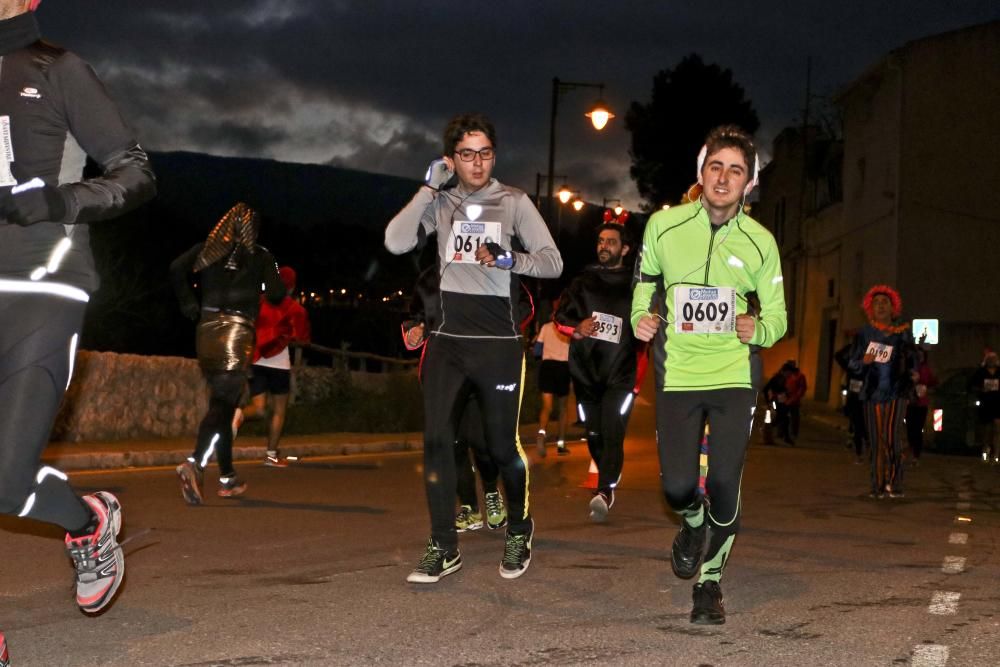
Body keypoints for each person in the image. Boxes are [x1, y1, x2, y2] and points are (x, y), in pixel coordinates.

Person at [0, 0, 155, 618]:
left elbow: (136, 173)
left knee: (7, 480)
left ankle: (88, 523)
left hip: (45, 285)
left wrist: (57, 202)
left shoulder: (57, 68)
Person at [385, 112, 562, 583]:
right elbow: (395, 241)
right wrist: (427, 189)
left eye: (485, 153)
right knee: (439, 443)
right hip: (447, 343)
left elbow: (553, 262)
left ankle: (520, 529)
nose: (477, 162)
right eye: (466, 154)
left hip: (498, 344)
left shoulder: (515, 202)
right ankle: (444, 545)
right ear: (451, 160)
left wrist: (511, 258)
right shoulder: (440, 204)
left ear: (494, 155)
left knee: (503, 447)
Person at [631, 125, 787, 625]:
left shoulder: (761, 243)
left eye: (735, 170)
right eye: (715, 166)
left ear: (749, 183)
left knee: (723, 480)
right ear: (701, 172)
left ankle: (711, 584)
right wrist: (641, 316)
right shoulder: (664, 227)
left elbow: (780, 317)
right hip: (678, 374)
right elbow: (645, 282)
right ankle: (692, 524)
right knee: (678, 488)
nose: (723, 178)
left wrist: (757, 327)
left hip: (734, 376)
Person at [170, 202, 284, 503]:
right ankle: (194, 463)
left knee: (222, 405)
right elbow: (277, 294)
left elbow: (175, 269)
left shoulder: (207, 250)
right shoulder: (260, 255)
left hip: (206, 329)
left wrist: (187, 302)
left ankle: (228, 477)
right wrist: (263, 273)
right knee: (222, 404)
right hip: (236, 332)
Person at [554, 221, 640, 522]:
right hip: (585, 373)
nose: (604, 246)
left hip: (621, 372)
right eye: (601, 241)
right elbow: (560, 317)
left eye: (612, 242)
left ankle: (605, 489)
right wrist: (576, 328)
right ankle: (606, 478)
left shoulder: (636, 283)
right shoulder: (583, 281)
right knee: (594, 433)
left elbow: (650, 317)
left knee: (612, 427)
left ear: (625, 249)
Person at [235, 265, 311, 467]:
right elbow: (303, 339)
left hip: (257, 360)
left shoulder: (259, 301)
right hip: (279, 365)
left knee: (259, 409)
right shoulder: (294, 308)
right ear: (292, 287)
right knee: (279, 411)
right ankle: (270, 456)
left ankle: (239, 414)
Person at [848, 284, 916, 498]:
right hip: (873, 392)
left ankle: (894, 484)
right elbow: (852, 363)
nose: (880, 306)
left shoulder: (902, 333)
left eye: (885, 302)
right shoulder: (864, 333)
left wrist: (914, 372)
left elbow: (913, 356)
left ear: (892, 307)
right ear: (870, 307)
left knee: (892, 437)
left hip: (897, 391)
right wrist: (863, 361)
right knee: (876, 440)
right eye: (876, 303)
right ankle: (877, 485)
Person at [533, 315, 571, 457]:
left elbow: (537, 351)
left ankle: (541, 434)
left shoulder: (546, 327)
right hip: (563, 368)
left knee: (547, 407)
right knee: (563, 408)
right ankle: (561, 444)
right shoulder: (569, 329)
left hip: (547, 367)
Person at [835, 339, 868, 463]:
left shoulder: (868, 368)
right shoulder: (852, 366)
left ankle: (869, 449)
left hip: (865, 401)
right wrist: (851, 346)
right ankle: (859, 454)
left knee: (864, 428)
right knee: (857, 427)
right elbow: (838, 356)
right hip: (854, 400)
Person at [904, 347, 936, 465]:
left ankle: (916, 455)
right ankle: (911, 449)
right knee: (909, 428)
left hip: (921, 403)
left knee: (918, 429)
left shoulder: (926, 369)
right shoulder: (910, 368)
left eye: (921, 355)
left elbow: (932, 381)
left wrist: (925, 387)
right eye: (917, 355)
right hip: (910, 402)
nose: (919, 357)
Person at [970, 350, 1000, 463]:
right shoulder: (981, 372)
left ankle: (996, 454)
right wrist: (981, 389)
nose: (992, 361)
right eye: (990, 360)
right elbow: (972, 385)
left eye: (994, 359)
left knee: (997, 429)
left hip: (998, 402)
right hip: (986, 402)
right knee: (986, 430)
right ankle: (985, 451)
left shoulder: (999, 371)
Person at [781, 360, 807, 445]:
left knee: (794, 417)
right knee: (782, 416)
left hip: (794, 400)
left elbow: (801, 389)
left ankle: (793, 433)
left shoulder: (799, 376)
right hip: (786, 399)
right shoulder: (787, 375)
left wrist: (795, 397)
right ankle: (782, 432)